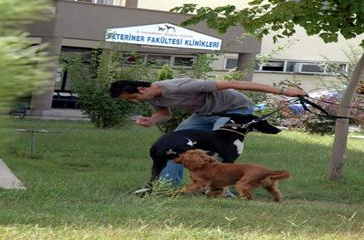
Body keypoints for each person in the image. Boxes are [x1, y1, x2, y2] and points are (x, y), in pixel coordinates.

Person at [109, 78, 306, 187]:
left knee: (221, 145)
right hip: (204, 115)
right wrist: (152, 120)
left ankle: (221, 188)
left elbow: (233, 83)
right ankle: (167, 187)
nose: (134, 101)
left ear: (142, 89)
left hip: (235, 110)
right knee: (174, 144)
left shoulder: (179, 86)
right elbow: (164, 114)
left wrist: (282, 92)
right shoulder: (153, 98)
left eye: (133, 97)